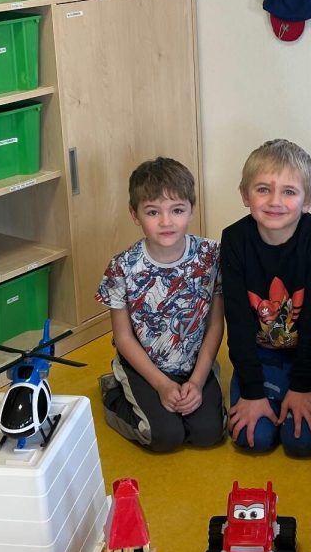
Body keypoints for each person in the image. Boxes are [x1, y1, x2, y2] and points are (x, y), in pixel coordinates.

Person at [221, 139, 311, 455]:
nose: (275, 201)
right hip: (260, 357)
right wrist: (252, 392)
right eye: (263, 189)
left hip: (309, 358)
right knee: (254, 439)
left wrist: (302, 387)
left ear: (307, 200)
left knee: (301, 442)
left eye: (289, 191)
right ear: (245, 195)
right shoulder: (233, 240)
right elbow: (237, 323)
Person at [96, 157, 224, 452]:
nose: (166, 222)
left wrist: (198, 380)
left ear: (191, 209)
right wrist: (161, 384)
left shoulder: (211, 255)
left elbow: (216, 324)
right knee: (164, 437)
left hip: (193, 365)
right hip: (143, 367)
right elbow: (123, 337)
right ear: (135, 214)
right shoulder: (122, 267)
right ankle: (113, 391)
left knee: (209, 433)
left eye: (177, 210)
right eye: (153, 212)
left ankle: (198, 385)